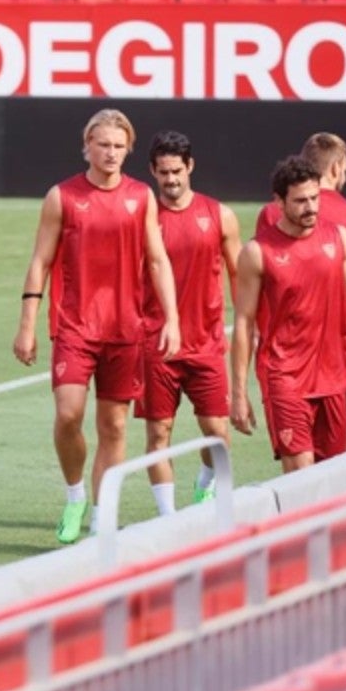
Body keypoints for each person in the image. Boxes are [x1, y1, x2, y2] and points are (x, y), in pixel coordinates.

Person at [12, 109, 181, 544]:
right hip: (75, 327)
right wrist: (27, 324)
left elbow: (158, 260)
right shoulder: (62, 197)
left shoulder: (141, 196)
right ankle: (75, 495)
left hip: (126, 329)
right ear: (87, 145)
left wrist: (172, 320)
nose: (110, 153)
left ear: (129, 149)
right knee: (69, 415)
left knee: (115, 427)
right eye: (102, 144)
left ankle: (102, 516)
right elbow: (40, 262)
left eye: (118, 146)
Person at [231, 156, 346, 472]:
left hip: (333, 377)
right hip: (284, 377)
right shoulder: (257, 252)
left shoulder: (338, 238)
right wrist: (238, 393)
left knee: (331, 477)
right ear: (279, 201)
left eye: (315, 198)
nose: (311, 207)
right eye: (301, 201)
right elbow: (243, 322)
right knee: (301, 476)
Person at [138, 131, 241, 515]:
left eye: (177, 171)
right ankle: (168, 521)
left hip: (206, 344)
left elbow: (239, 274)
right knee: (158, 434)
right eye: (163, 172)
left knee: (217, 433)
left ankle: (206, 483)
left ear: (190, 167)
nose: (171, 180)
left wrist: (252, 321)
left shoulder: (219, 215)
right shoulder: (142, 218)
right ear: (152, 171)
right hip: (156, 344)